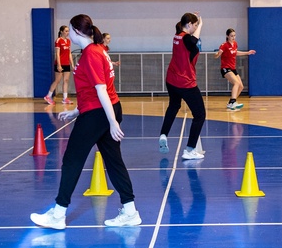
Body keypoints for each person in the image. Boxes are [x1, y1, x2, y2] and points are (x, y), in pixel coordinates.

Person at [31, 14, 140, 229]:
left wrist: (112, 122)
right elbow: (92, 89)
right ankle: (130, 212)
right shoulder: (97, 50)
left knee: (72, 160)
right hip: (102, 110)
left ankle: (58, 214)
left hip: (99, 114)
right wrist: (76, 111)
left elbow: (101, 89)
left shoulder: (91, 53)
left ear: (76, 31)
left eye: (70, 29)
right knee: (114, 162)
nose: (68, 33)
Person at [159, 12, 206, 160]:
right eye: (195, 25)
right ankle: (190, 150)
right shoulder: (187, 39)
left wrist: (195, 21)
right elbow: (192, 41)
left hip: (171, 80)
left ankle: (163, 134)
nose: (196, 28)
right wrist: (201, 24)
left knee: (173, 106)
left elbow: (191, 40)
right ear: (190, 24)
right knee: (200, 114)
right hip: (185, 82)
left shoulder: (177, 36)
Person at [214, 28, 256, 111]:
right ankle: (233, 102)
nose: (233, 37)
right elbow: (218, 53)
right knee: (236, 83)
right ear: (227, 36)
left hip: (233, 68)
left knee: (241, 86)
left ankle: (230, 103)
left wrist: (247, 53)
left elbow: (236, 53)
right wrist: (217, 54)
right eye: (231, 36)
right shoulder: (224, 45)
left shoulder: (235, 44)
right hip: (225, 68)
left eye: (234, 36)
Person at [44, 25, 75, 106]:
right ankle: (48, 96)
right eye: (66, 31)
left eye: (68, 31)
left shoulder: (68, 41)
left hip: (66, 63)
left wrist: (72, 64)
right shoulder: (58, 40)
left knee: (66, 80)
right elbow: (57, 54)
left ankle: (65, 98)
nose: (67, 33)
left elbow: (69, 53)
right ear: (61, 31)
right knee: (57, 80)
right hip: (60, 64)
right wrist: (59, 65)